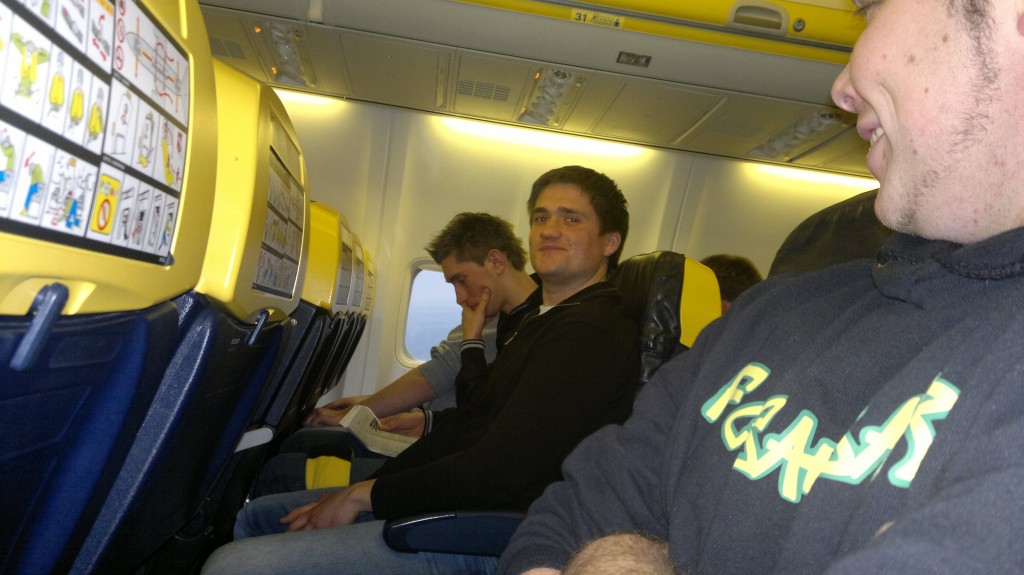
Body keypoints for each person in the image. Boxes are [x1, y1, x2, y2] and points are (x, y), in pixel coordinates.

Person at [498, 0, 1024, 573]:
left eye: (871, 9)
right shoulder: (774, 309)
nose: (841, 91)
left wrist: (649, 552)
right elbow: (568, 518)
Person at [202, 165, 639, 574]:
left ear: (610, 242)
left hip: (482, 530)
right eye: (541, 217)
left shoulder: (589, 334)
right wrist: (426, 426)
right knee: (262, 518)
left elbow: (499, 472)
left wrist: (363, 495)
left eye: (571, 219)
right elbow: (485, 414)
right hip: (457, 502)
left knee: (231, 564)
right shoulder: (545, 321)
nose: (550, 229)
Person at [253, 212, 541, 496]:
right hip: (441, 442)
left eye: (461, 280)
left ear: (495, 261)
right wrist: (420, 419)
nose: (459, 298)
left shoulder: (529, 328)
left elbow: (466, 404)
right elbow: (479, 410)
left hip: (457, 468)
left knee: (279, 474)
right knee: (299, 445)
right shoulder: (505, 320)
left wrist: (471, 342)